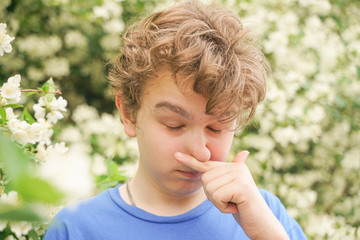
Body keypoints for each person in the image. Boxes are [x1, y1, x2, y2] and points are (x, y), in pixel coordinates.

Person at [44, 1, 307, 239]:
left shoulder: (265, 214)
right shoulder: (76, 229)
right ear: (128, 113)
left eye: (217, 127)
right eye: (174, 124)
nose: (200, 151)